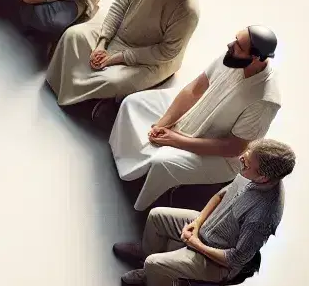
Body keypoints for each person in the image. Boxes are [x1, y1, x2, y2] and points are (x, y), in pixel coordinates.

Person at [110, 26, 282, 209]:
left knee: (162, 162)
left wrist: (175, 140)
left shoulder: (265, 100)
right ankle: (124, 161)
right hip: (194, 114)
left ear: (255, 58)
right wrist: (163, 123)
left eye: (238, 45)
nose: (230, 45)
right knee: (133, 103)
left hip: (220, 155)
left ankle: (143, 197)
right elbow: (194, 90)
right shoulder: (233, 58)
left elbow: (234, 147)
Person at [47, 0, 202, 109]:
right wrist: (102, 43)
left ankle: (86, 104)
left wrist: (117, 58)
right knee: (73, 35)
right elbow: (119, 5)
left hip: (146, 58)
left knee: (112, 81)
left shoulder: (187, 9)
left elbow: (166, 53)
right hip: (118, 34)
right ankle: (69, 88)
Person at [115, 137, 292, 286]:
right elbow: (220, 195)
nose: (240, 160)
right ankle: (147, 255)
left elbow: (234, 260)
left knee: (155, 263)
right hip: (207, 227)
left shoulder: (262, 216)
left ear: (263, 178)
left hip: (216, 260)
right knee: (156, 216)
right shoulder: (250, 172)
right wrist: (198, 222)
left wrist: (196, 244)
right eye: (246, 154)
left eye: (246, 163)